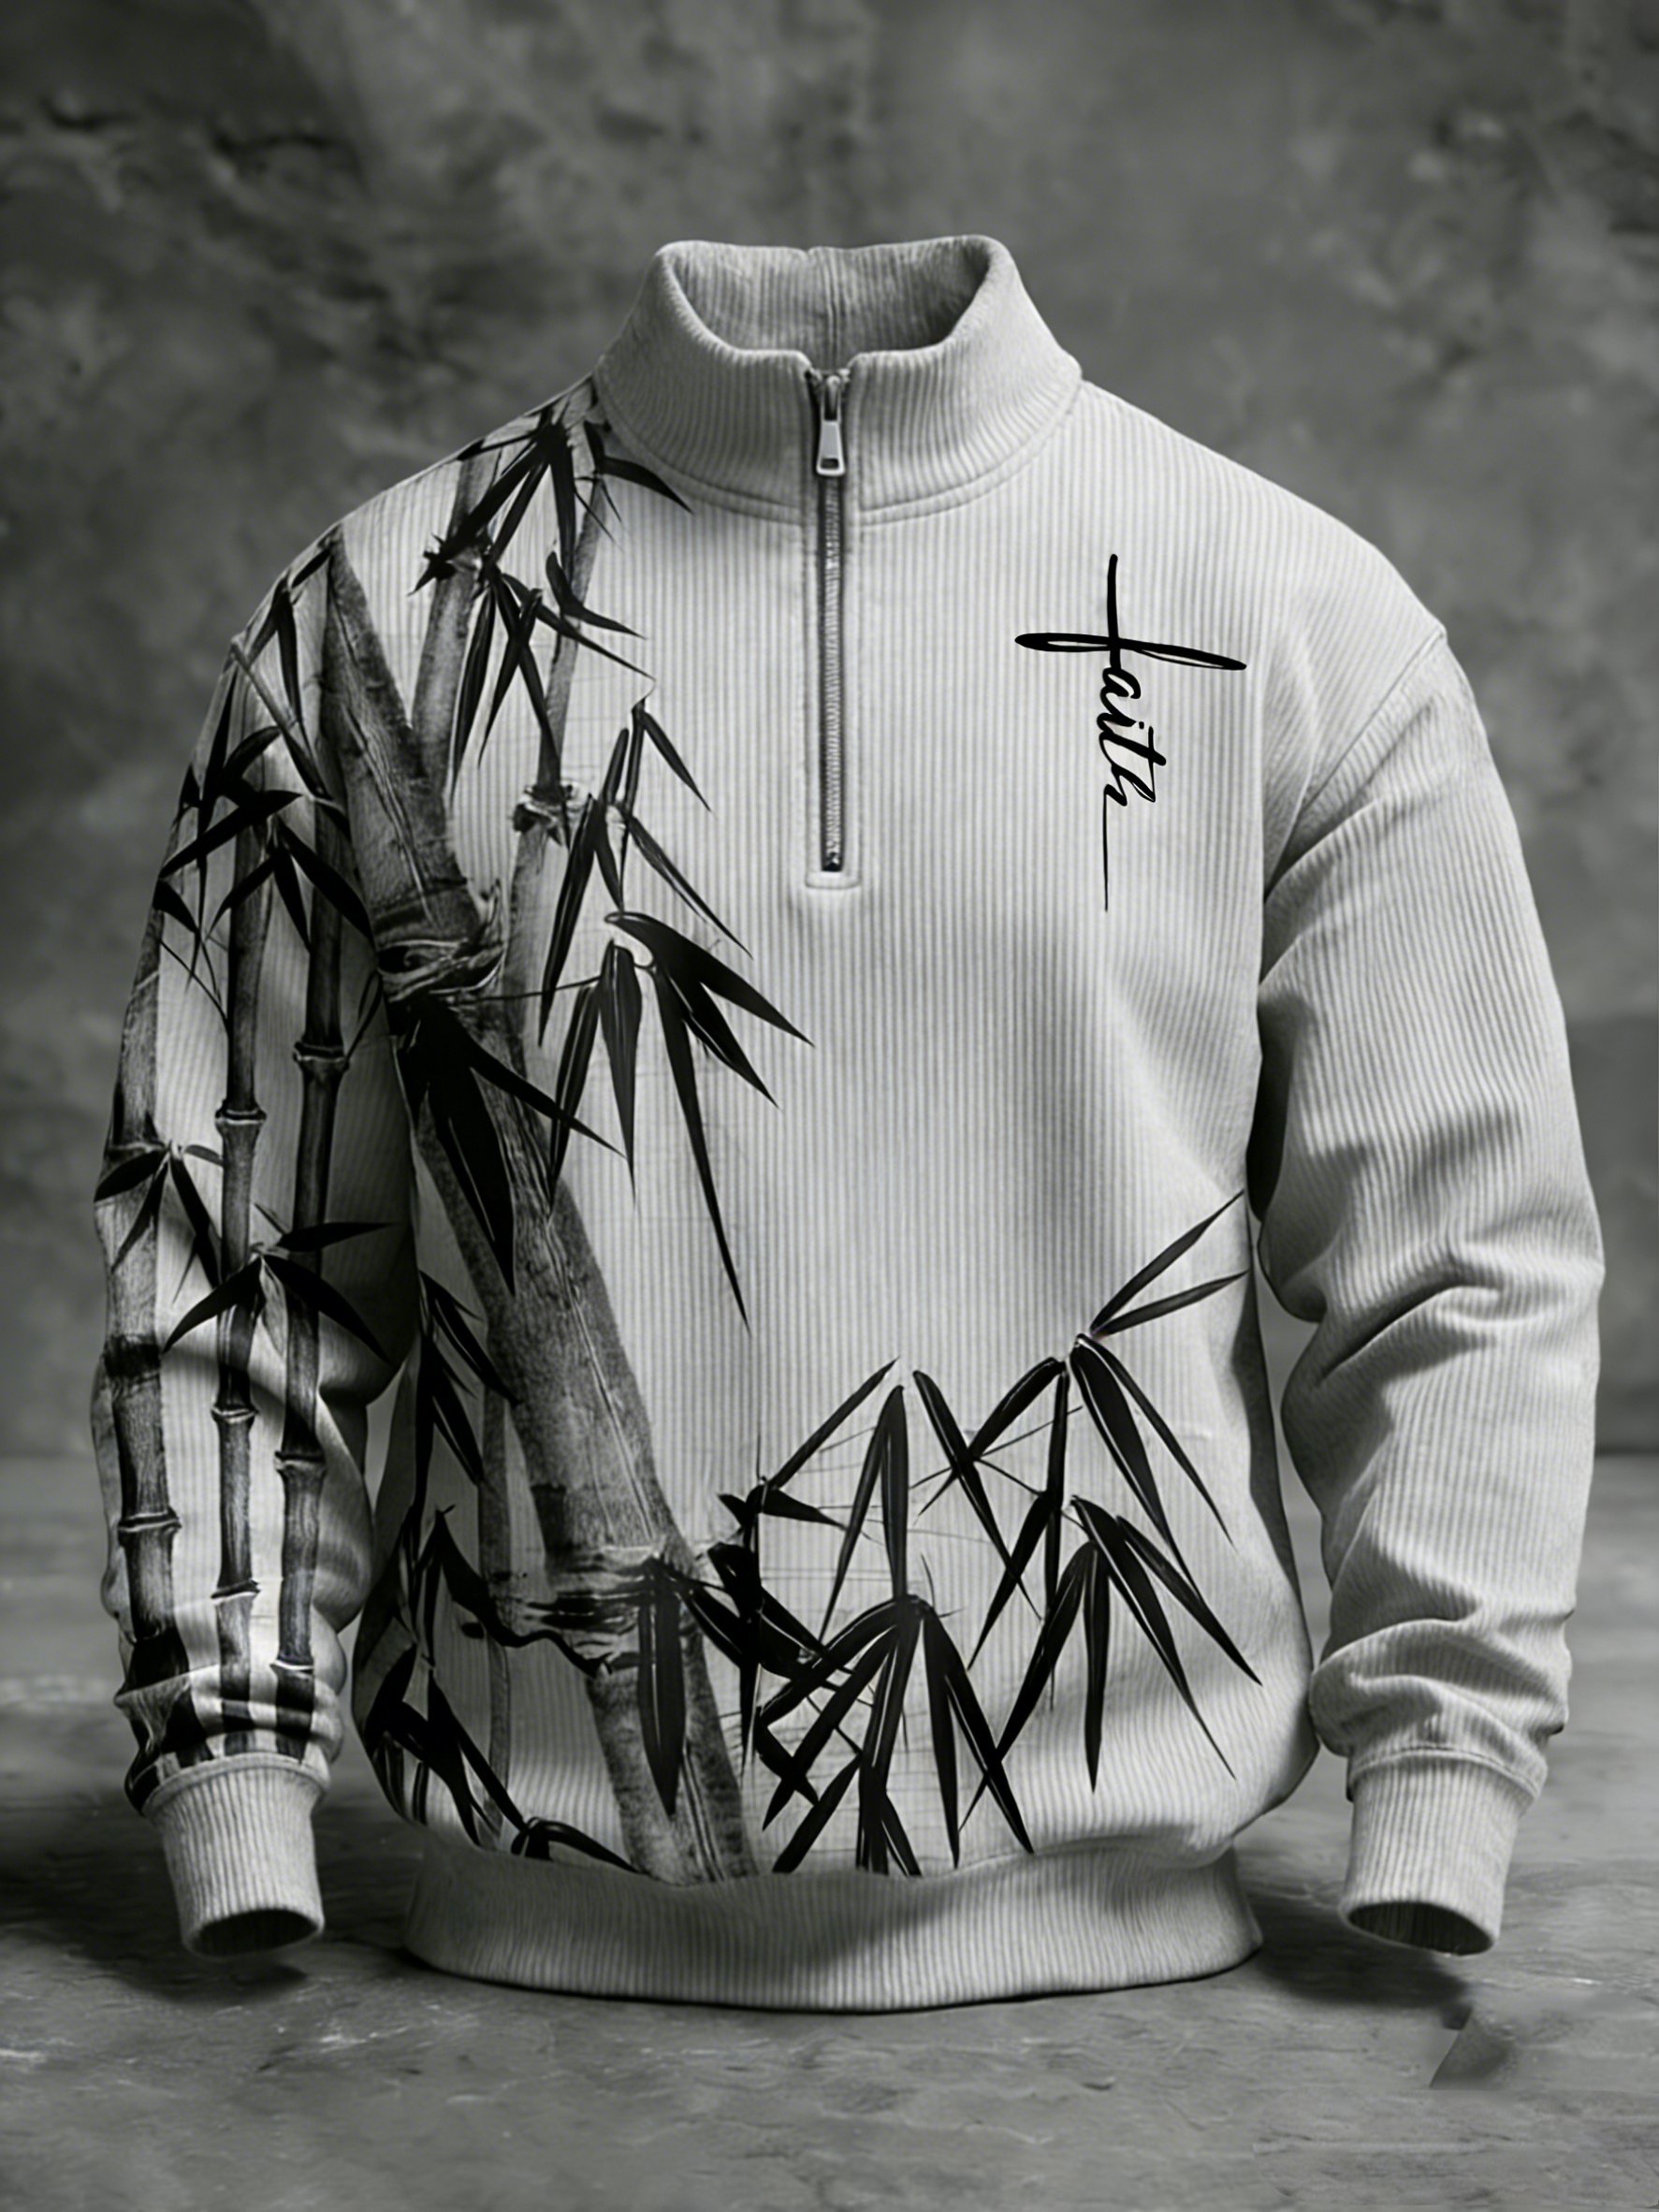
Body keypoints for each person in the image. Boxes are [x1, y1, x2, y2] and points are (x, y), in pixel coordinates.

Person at [91, 234, 1604, 2007]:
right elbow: (233, 1245)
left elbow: (1456, 1248)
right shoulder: (373, 609)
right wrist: (232, 1765)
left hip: (1140, 1939)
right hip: (507, 1927)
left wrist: (1442, 1768)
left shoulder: (1290, 618)